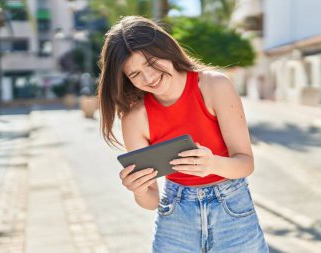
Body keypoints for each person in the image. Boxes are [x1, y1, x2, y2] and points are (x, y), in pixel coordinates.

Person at [97, 16, 269, 253]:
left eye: (151, 62)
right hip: (176, 217)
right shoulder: (134, 118)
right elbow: (151, 201)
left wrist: (212, 164)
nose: (148, 78)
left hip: (233, 211)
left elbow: (246, 163)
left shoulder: (214, 86)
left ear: (166, 49)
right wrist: (139, 190)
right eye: (135, 74)